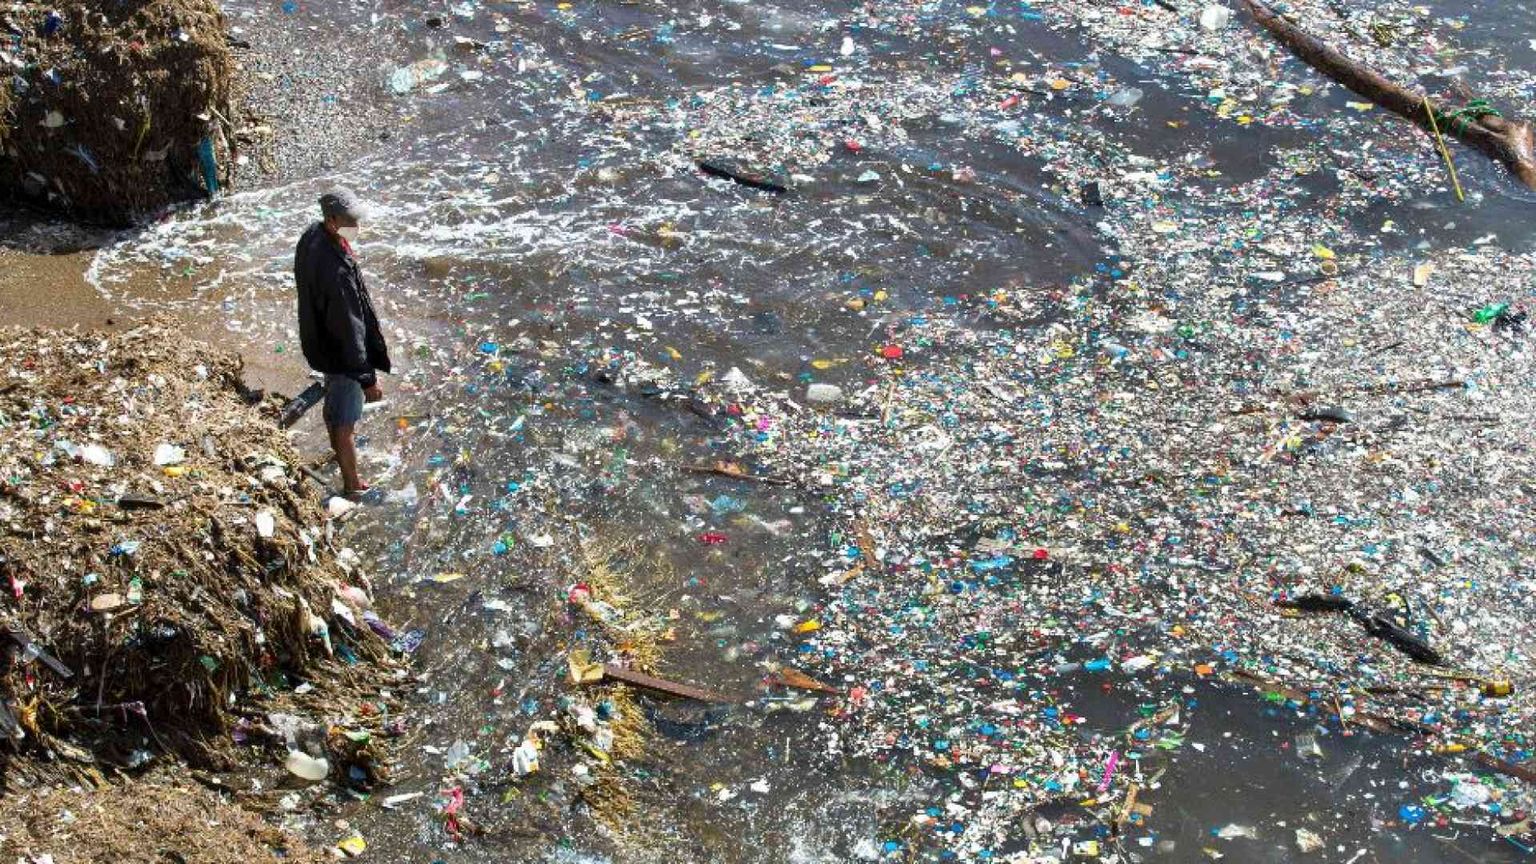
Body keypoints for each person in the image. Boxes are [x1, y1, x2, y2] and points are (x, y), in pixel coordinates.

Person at [294, 189, 391, 497]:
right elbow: (350, 328)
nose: (356, 227)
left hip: (321, 344)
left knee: (335, 410)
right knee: (346, 421)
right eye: (350, 221)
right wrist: (366, 378)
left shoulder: (312, 237)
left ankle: (338, 454)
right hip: (342, 356)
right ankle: (352, 484)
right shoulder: (336, 271)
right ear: (333, 220)